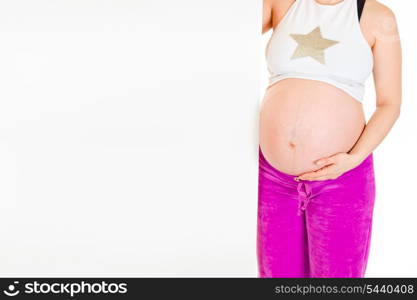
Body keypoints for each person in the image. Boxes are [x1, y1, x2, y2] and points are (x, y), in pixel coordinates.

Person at [257, 0, 402, 278]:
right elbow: (227, 31)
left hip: (341, 180)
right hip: (273, 179)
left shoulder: (378, 17)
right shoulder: (282, 3)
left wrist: (354, 158)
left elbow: (390, 103)